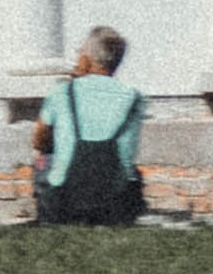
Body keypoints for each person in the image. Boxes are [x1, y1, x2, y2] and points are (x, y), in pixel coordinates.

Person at [29, 25, 145, 225]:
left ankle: (48, 218)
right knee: (129, 167)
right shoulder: (135, 98)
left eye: (80, 52)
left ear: (87, 58)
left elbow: (39, 138)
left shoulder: (62, 92)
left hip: (65, 199)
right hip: (115, 201)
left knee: (44, 158)